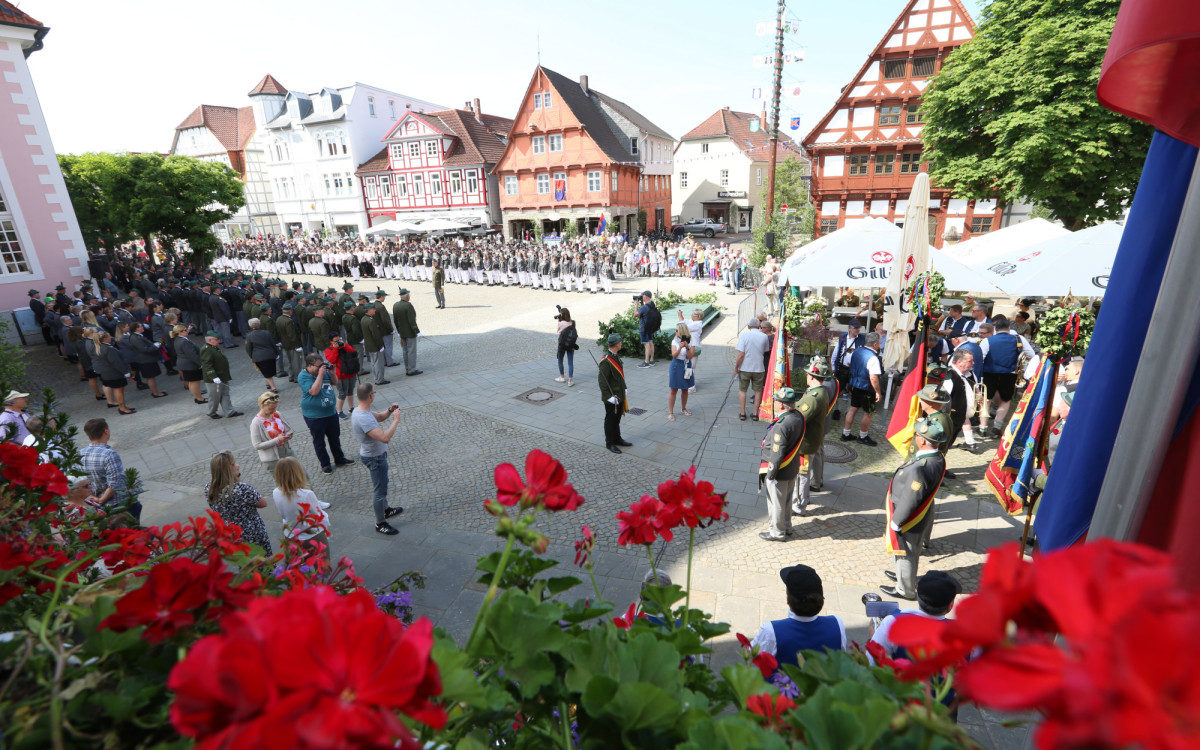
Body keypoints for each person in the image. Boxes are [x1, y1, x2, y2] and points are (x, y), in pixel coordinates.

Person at [880, 417, 947, 600]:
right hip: (917, 515)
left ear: (923, 441)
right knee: (907, 551)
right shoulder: (937, 457)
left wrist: (897, 521)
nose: (915, 436)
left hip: (908, 518)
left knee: (906, 552)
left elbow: (912, 497)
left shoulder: (921, 467)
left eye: (917, 434)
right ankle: (903, 576)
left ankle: (905, 589)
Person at [751, 564, 846, 670]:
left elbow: (752, 656)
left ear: (788, 600)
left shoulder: (771, 630)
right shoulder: (837, 624)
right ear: (821, 601)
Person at [351, 382, 405, 535]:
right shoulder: (363, 417)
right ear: (371, 396)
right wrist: (396, 420)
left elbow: (380, 417)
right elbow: (385, 437)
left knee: (383, 484)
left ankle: (386, 510)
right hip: (374, 458)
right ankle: (380, 523)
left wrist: (390, 410)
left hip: (376, 455)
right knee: (379, 491)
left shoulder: (362, 410)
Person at [758, 387, 805, 542]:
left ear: (782, 405)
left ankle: (777, 532)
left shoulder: (781, 425)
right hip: (792, 468)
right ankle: (787, 526)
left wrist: (771, 475)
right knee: (787, 500)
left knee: (776, 502)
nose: (775, 402)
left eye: (777, 400)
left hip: (780, 470)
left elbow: (777, 454)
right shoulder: (798, 416)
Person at [979, 315, 1037, 437]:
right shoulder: (1018, 339)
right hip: (1010, 374)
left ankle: (983, 428)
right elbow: (1031, 354)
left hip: (989, 373)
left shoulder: (987, 340)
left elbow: (981, 359)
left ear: (995, 328)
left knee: (986, 400)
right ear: (1009, 328)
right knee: (1005, 401)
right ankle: (997, 427)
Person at [205, 451, 273, 555]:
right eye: (233, 464)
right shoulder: (241, 489)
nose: (238, 466)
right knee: (263, 561)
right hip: (252, 532)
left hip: (231, 533)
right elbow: (263, 503)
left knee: (243, 561)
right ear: (228, 469)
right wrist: (239, 481)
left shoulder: (209, 488)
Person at [297, 353, 354, 475]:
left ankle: (339, 459)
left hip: (330, 412)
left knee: (335, 438)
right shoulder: (303, 376)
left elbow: (335, 383)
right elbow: (314, 391)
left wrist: (332, 373)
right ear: (309, 366)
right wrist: (321, 374)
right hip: (314, 416)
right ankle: (325, 464)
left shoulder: (323, 371)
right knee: (319, 441)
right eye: (318, 366)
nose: (321, 368)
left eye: (322, 365)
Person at [791, 359, 833, 517]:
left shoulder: (814, 397)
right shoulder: (818, 392)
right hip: (811, 441)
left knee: (801, 475)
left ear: (811, 376)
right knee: (803, 474)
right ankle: (802, 499)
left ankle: (799, 505)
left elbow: (799, 418)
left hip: (806, 444)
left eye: (807, 373)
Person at [80, 418, 142, 522]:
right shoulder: (109, 454)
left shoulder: (80, 454)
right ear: (106, 431)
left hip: (93, 504)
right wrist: (102, 499)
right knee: (135, 510)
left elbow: (78, 481)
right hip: (115, 503)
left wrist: (91, 497)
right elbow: (115, 482)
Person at [271, 456, 332, 563]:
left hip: (290, 535)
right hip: (312, 535)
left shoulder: (276, 492)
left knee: (296, 565)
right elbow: (319, 515)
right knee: (322, 564)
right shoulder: (306, 494)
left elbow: (282, 513)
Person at [841, 332, 883, 445]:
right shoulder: (873, 358)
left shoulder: (857, 351)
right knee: (869, 412)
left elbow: (850, 364)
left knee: (852, 409)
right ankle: (863, 436)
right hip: (867, 389)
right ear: (875, 344)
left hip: (854, 385)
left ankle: (846, 434)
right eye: (879, 342)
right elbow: (873, 377)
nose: (880, 344)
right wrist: (878, 392)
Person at [598, 332, 632, 454]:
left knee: (617, 419)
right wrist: (609, 397)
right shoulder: (606, 362)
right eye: (620, 342)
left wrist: (625, 388)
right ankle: (610, 442)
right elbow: (602, 382)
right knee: (610, 420)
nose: (621, 344)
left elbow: (619, 377)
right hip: (612, 396)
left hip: (620, 394)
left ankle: (617, 438)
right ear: (617, 344)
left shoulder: (615, 357)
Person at [250, 391, 295, 477]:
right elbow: (257, 445)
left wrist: (289, 434)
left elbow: (288, 429)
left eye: (275, 407)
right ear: (262, 406)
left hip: (287, 451)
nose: (273, 411)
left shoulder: (276, 414)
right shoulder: (256, 423)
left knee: (303, 476)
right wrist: (277, 440)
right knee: (284, 484)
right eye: (271, 409)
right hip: (273, 458)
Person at [734, 318, 770, 421]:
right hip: (759, 367)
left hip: (745, 367)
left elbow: (741, 354)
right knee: (758, 391)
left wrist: (736, 368)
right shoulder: (764, 337)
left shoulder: (744, 335)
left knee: (742, 390)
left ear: (748, 326)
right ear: (759, 326)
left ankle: (742, 413)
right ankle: (755, 413)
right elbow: (765, 350)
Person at [201, 330, 242, 420]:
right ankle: (211, 412)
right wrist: (214, 377)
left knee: (225, 394)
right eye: (216, 339)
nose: (218, 341)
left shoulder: (213, 347)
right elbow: (207, 365)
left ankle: (229, 411)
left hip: (221, 376)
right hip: (214, 378)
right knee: (215, 396)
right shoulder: (207, 350)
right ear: (210, 340)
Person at [92, 330, 136, 415]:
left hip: (108, 373)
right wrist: (125, 372)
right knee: (119, 390)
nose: (110, 337)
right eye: (108, 336)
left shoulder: (99, 347)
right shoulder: (108, 349)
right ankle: (122, 408)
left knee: (118, 390)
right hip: (114, 373)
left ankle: (123, 407)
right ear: (104, 339)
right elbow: (116, 362)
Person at [830, 319, 865, 420]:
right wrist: (833, 367)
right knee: (839, 390)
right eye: (855, 327)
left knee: (852, 391)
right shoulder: (842, 337)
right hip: (842, 368)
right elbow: (836, 352)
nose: (858, 329)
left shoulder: (863, 338)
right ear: (849, 328)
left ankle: (848, 411)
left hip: (855, 370)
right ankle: (837, 410)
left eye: (859, 327)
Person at [945, 349, 979, 453]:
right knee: (942, 446)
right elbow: (943, 399)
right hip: (950, 420)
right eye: (970, 361)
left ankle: (940, 468)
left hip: (958, 419)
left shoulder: (965, 375)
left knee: (946, 446)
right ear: (959, 362)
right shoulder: (949, 376)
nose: (973, 363)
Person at [129, 322, 168, 397]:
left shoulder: (138, 336)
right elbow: (144, 349)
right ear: (136, 329)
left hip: (147, 359)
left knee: (151, 376)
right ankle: (155, 393)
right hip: (145, 360)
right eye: (141, 326)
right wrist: (156, 346)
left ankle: (155, 392)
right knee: (150, 377)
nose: (142, 327)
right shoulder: (135, 338)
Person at [324, 332, 358, 418]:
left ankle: (351, 408)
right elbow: (332, 360)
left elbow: (354, 353)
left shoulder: (344, 345)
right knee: (342, 393)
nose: (338, 342)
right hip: (340, 375)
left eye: (339, 340)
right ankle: (339, 411)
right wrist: (336, 349)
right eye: (336, 341)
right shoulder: (329, 350)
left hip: (350, 372)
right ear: (331, 342)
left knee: (350, 391)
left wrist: (344, 345)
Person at [172, 325, 207, 404]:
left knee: (191, 382)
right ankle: (199, 398)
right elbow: (192, 355)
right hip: (190, 364)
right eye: (184, 330)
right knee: (195, 382)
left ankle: (197, 397)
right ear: (179, 332)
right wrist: (201, 364)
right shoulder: (184, 342)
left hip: (185, 364)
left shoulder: (178, 339)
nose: (187, 331)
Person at [667, 323, 695, 421]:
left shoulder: (691, 342)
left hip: (687, 365)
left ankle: (684, 408)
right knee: (673, 389)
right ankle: (671, 412)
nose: (675, 332)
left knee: (685, 388)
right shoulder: (674, 341)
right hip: (676, 365)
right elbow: (674, 355)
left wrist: (687, 347)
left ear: (682, 331)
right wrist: (680, 348)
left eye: (676, 330)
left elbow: (690, 356)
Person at [391, 288, 422, 376]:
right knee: (411, 351)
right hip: (410, 332)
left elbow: (395, 320)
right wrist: (417, 331)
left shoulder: (395, 305)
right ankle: (411, 369)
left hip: (402, 332)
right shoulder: (408, 305)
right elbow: (412, 320)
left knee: (405, 351)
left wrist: (399, 331)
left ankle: (407, 368)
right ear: (407, 296)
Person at [244, 318, 280, 393]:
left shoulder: (249, 336)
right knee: (268, 371)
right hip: (270, 355)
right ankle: (268, 384)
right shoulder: (266, 333)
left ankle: (273, 388)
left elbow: (248, 348)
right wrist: (277, 353)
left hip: (258, 357)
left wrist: (252, 356)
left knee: (266, 372)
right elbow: (272, 343)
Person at [361, 305, 389, 385]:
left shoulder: (363, 319)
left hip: (369, 345)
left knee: (373, 363)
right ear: (369, 310)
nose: (375, 311)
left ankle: (376, 378)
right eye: (373, 309)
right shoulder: (371, 321)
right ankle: (380, 379)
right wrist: (381, 346)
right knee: (378, 364)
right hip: (375, 346)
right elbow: (376, 335)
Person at [276, 302, 303, 383]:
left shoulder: (279, 319)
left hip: (285, 344)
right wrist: (297, 346)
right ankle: (297, 377)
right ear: (290, 311)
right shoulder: (289, 321)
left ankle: (291, 376)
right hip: (292, 345)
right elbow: (292, 335)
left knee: (290, 361)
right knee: (296, 362)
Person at [635, 291, 659, 368]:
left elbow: (635, 314)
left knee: (646, 345)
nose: (641, 297)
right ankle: (651, 361)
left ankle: (646, 362)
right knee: (651, 343)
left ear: (645, 297)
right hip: (650, 327)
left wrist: (636, 305)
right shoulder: (652, 305)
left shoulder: (644, 307)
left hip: (644, 329)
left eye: (642, 296)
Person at [555, 307, 578, 387]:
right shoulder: (573, 322)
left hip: (562, 345)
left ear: (562, 315)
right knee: (570, 362)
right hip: (571, 345)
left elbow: (558, 331)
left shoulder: (561, 323)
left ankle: (562, 377)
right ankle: (570, 381)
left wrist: (559, 321)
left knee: (560, 360)